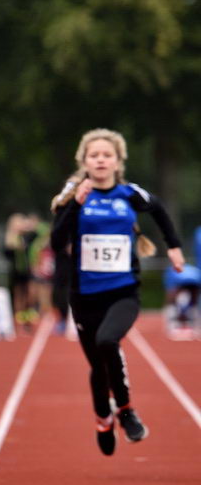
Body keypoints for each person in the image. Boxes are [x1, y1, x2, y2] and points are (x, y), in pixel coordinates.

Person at [50, 128, 183, 456]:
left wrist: (175, 247)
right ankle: (102, 418)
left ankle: (125, 411)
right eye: (94, 155)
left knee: (108, 341)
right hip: (84, 296)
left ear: (117, 161)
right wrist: (74, 207)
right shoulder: (75, 197)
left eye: (106, 155)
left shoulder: (129, 194)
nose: (100, 160)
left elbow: (160, 209)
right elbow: (56, 243)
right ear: (84, 161)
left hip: (123, 292)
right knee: (98, 365)